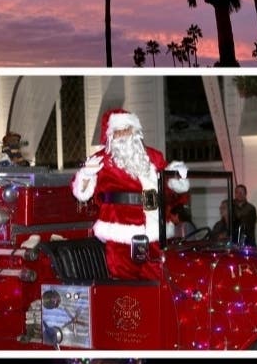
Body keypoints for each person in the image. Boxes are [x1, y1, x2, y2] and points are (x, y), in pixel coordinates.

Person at [70, 107, 189, 280]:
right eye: (119, 131)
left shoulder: (153, 157)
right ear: (111, 135)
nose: (124, 135)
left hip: (154, 232)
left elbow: (169, 187)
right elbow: (82, 193)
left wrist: (177, 176)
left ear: (136, 131)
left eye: (128, 129)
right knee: (125, 284)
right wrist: (86, 175)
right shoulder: (100, 160)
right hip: (120, 234)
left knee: (159, 281)